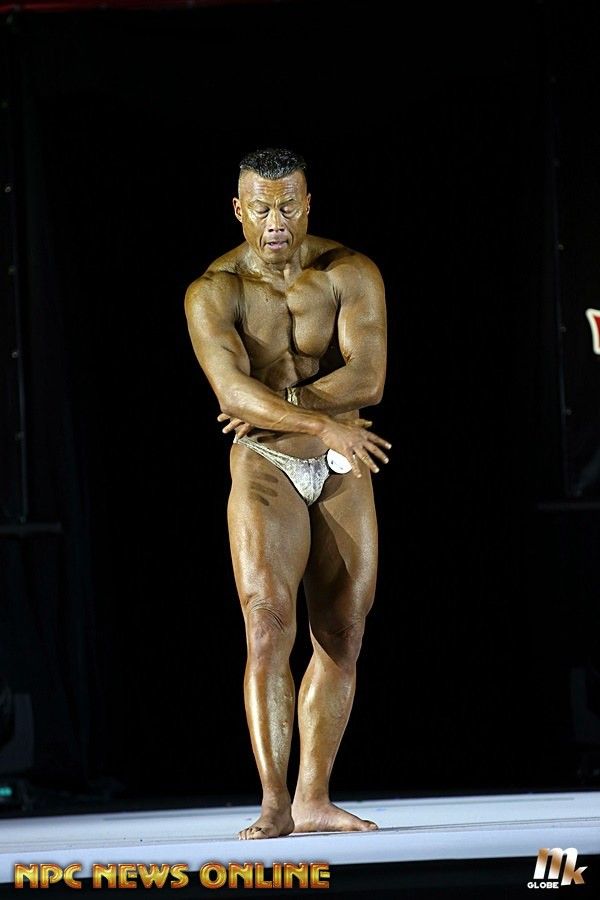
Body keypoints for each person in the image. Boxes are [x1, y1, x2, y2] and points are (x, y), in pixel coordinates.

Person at [184, 147, 390, 840]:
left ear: (308, 206)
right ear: (238, 211)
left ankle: (313, 798)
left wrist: (291, 406)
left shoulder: (350, 273)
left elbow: (369, 377)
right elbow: (230, 393)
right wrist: (321, 421)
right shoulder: (215, 291)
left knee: (344, 631)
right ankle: (273, 802)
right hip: (267, 462)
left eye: (288, 206)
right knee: (268, 626)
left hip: (340, 460)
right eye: (261, 208)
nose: (276, 222)